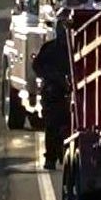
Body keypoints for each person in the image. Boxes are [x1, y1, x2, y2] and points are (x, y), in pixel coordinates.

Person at [32, 22, 72, 171]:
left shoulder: (74, 47)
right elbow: (37, 66)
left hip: (69, 94)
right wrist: (52, 77)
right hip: (53, 94)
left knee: (68, 126)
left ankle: (61, 155)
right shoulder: (49, 49)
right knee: (52, 126)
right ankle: (51, 158)